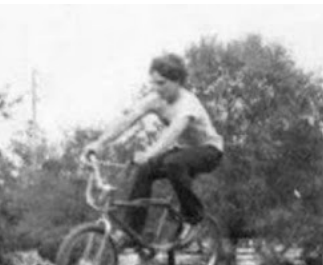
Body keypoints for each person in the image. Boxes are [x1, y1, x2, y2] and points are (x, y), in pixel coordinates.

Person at [83, 53, 224, 244]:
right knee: (144, 170)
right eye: (154, 83)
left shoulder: (187, 104)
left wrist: (149, 153)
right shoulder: (155, 98)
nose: (156, 89)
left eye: (162, 83)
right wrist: (99, 143)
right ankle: (132, 233)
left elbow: (173, 132)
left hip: (209, 151)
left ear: (178, 82)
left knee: (173, 163)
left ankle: (194, 218)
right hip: (182, 152)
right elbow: (127, 120)